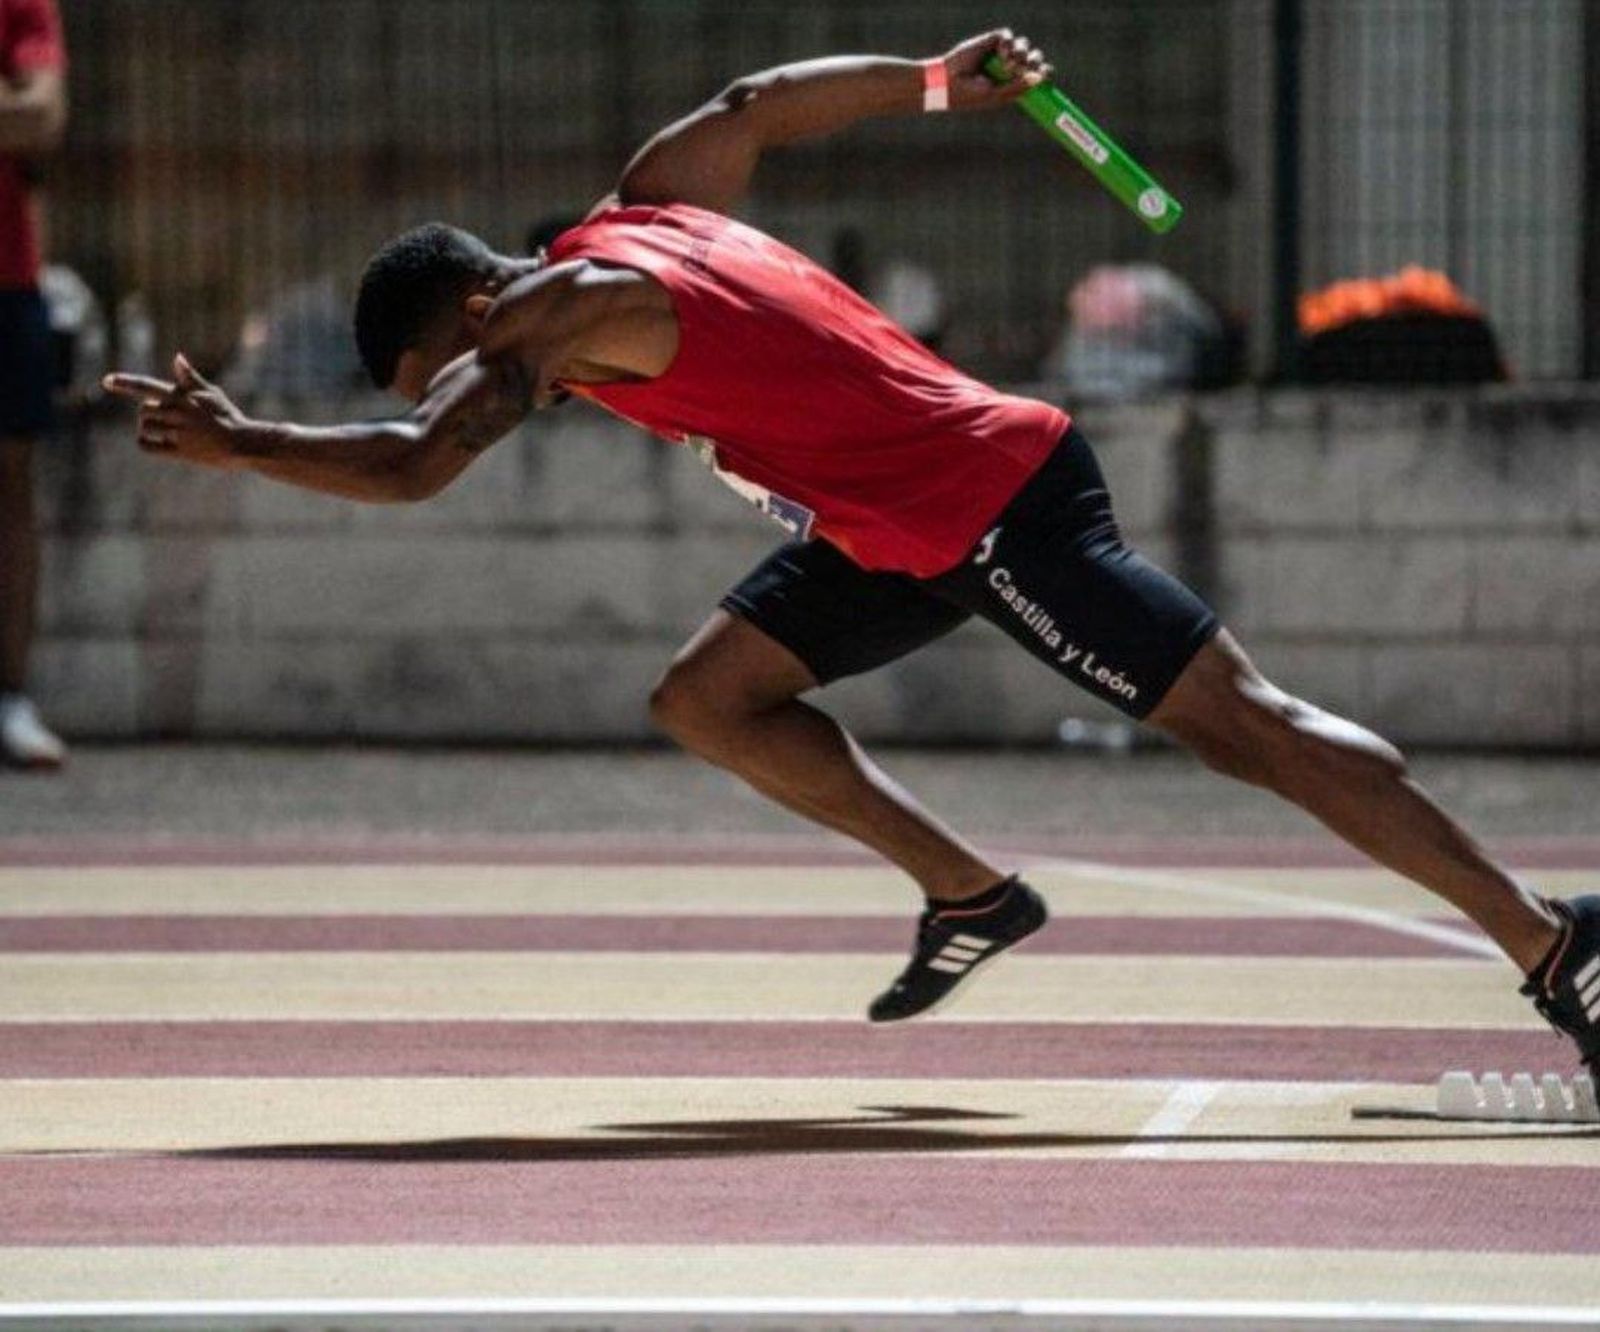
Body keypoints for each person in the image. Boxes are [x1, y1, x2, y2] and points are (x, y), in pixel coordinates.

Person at [104, 30, 1598, 1071]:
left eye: (449, 357)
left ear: (468, 313)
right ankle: (971, 893)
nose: (479, 384)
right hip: (883, 522)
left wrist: (242, 444)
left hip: (989, 505)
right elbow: (757, 100)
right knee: (707, 697)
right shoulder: (649, 199)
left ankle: (1551, 944)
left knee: (1245, 730)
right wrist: (942, 82)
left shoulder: (538, 325)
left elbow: (420, 461)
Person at [0, 0, 67, 769]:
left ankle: (10, 697)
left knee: (11, 485)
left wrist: (23, 110)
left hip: (6, 275)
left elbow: (41, 119)